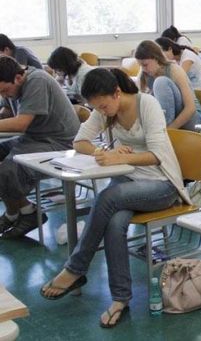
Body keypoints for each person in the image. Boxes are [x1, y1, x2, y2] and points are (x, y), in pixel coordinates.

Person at [40, 67, 189, 328]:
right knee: (114, 223)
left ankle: (75, 268)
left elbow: (157, 155)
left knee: (107, 197)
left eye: (104, 106)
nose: (102, 111)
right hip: (127, 182)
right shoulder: (104, 109)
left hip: (161, 184)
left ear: (117, 93)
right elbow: (79, 142)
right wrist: (101, 152)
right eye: (97, 107)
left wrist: (119, 158)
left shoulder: (147, 104)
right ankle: (121, 299)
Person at [0, 56, 80, 238]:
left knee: (6, 170)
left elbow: (21, 124)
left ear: (18, 78)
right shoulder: (11, 84)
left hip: (59, 143)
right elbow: (6, 111)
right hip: (35, 138)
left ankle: (22, 214)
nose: (4, 95)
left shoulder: (37, 80)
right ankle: (20, 212)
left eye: (5, 91)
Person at [135, 40, 201, 130]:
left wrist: (168, 130)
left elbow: (191, 108)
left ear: (156, 58)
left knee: (160, 82)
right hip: (172, 121)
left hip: (192, 118)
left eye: (145, 65)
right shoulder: (145, 74)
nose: (143, 69)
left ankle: (163, 130)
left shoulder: (174, 70)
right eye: (140, 66)